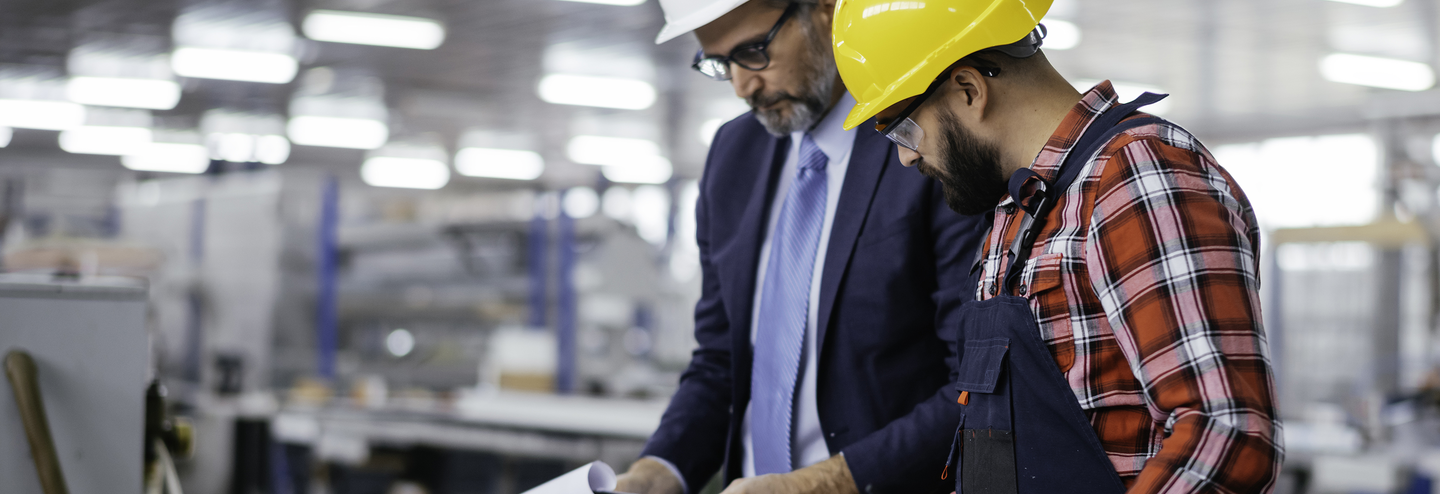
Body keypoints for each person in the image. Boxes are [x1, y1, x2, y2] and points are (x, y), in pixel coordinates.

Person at [830, 0, 1284, 492]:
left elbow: (1228, 434)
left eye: (903, 127)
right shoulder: (1020, 212)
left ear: (968, 90)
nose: (903, 156)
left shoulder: (1135, 177)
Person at [614, 1, 987, 493]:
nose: (743, 86)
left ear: (825, 11)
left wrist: (821, 485)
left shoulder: (923, 143)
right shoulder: (732, 156)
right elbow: (721, 363)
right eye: (721, 64)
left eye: (753, 51)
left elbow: (975, 385)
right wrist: (658, 468)